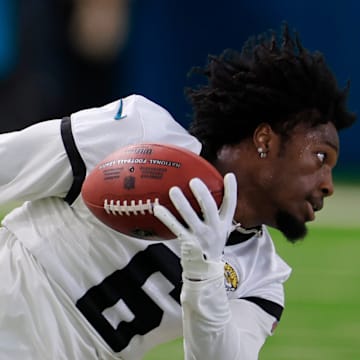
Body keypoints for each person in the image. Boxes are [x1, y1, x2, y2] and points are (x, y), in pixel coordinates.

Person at [0, 24, 356, 359]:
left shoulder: (263, 279)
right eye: (320, 157)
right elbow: (8, 161)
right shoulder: (139, 131)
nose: (327, 184)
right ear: (264, 139)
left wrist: (206, 274)